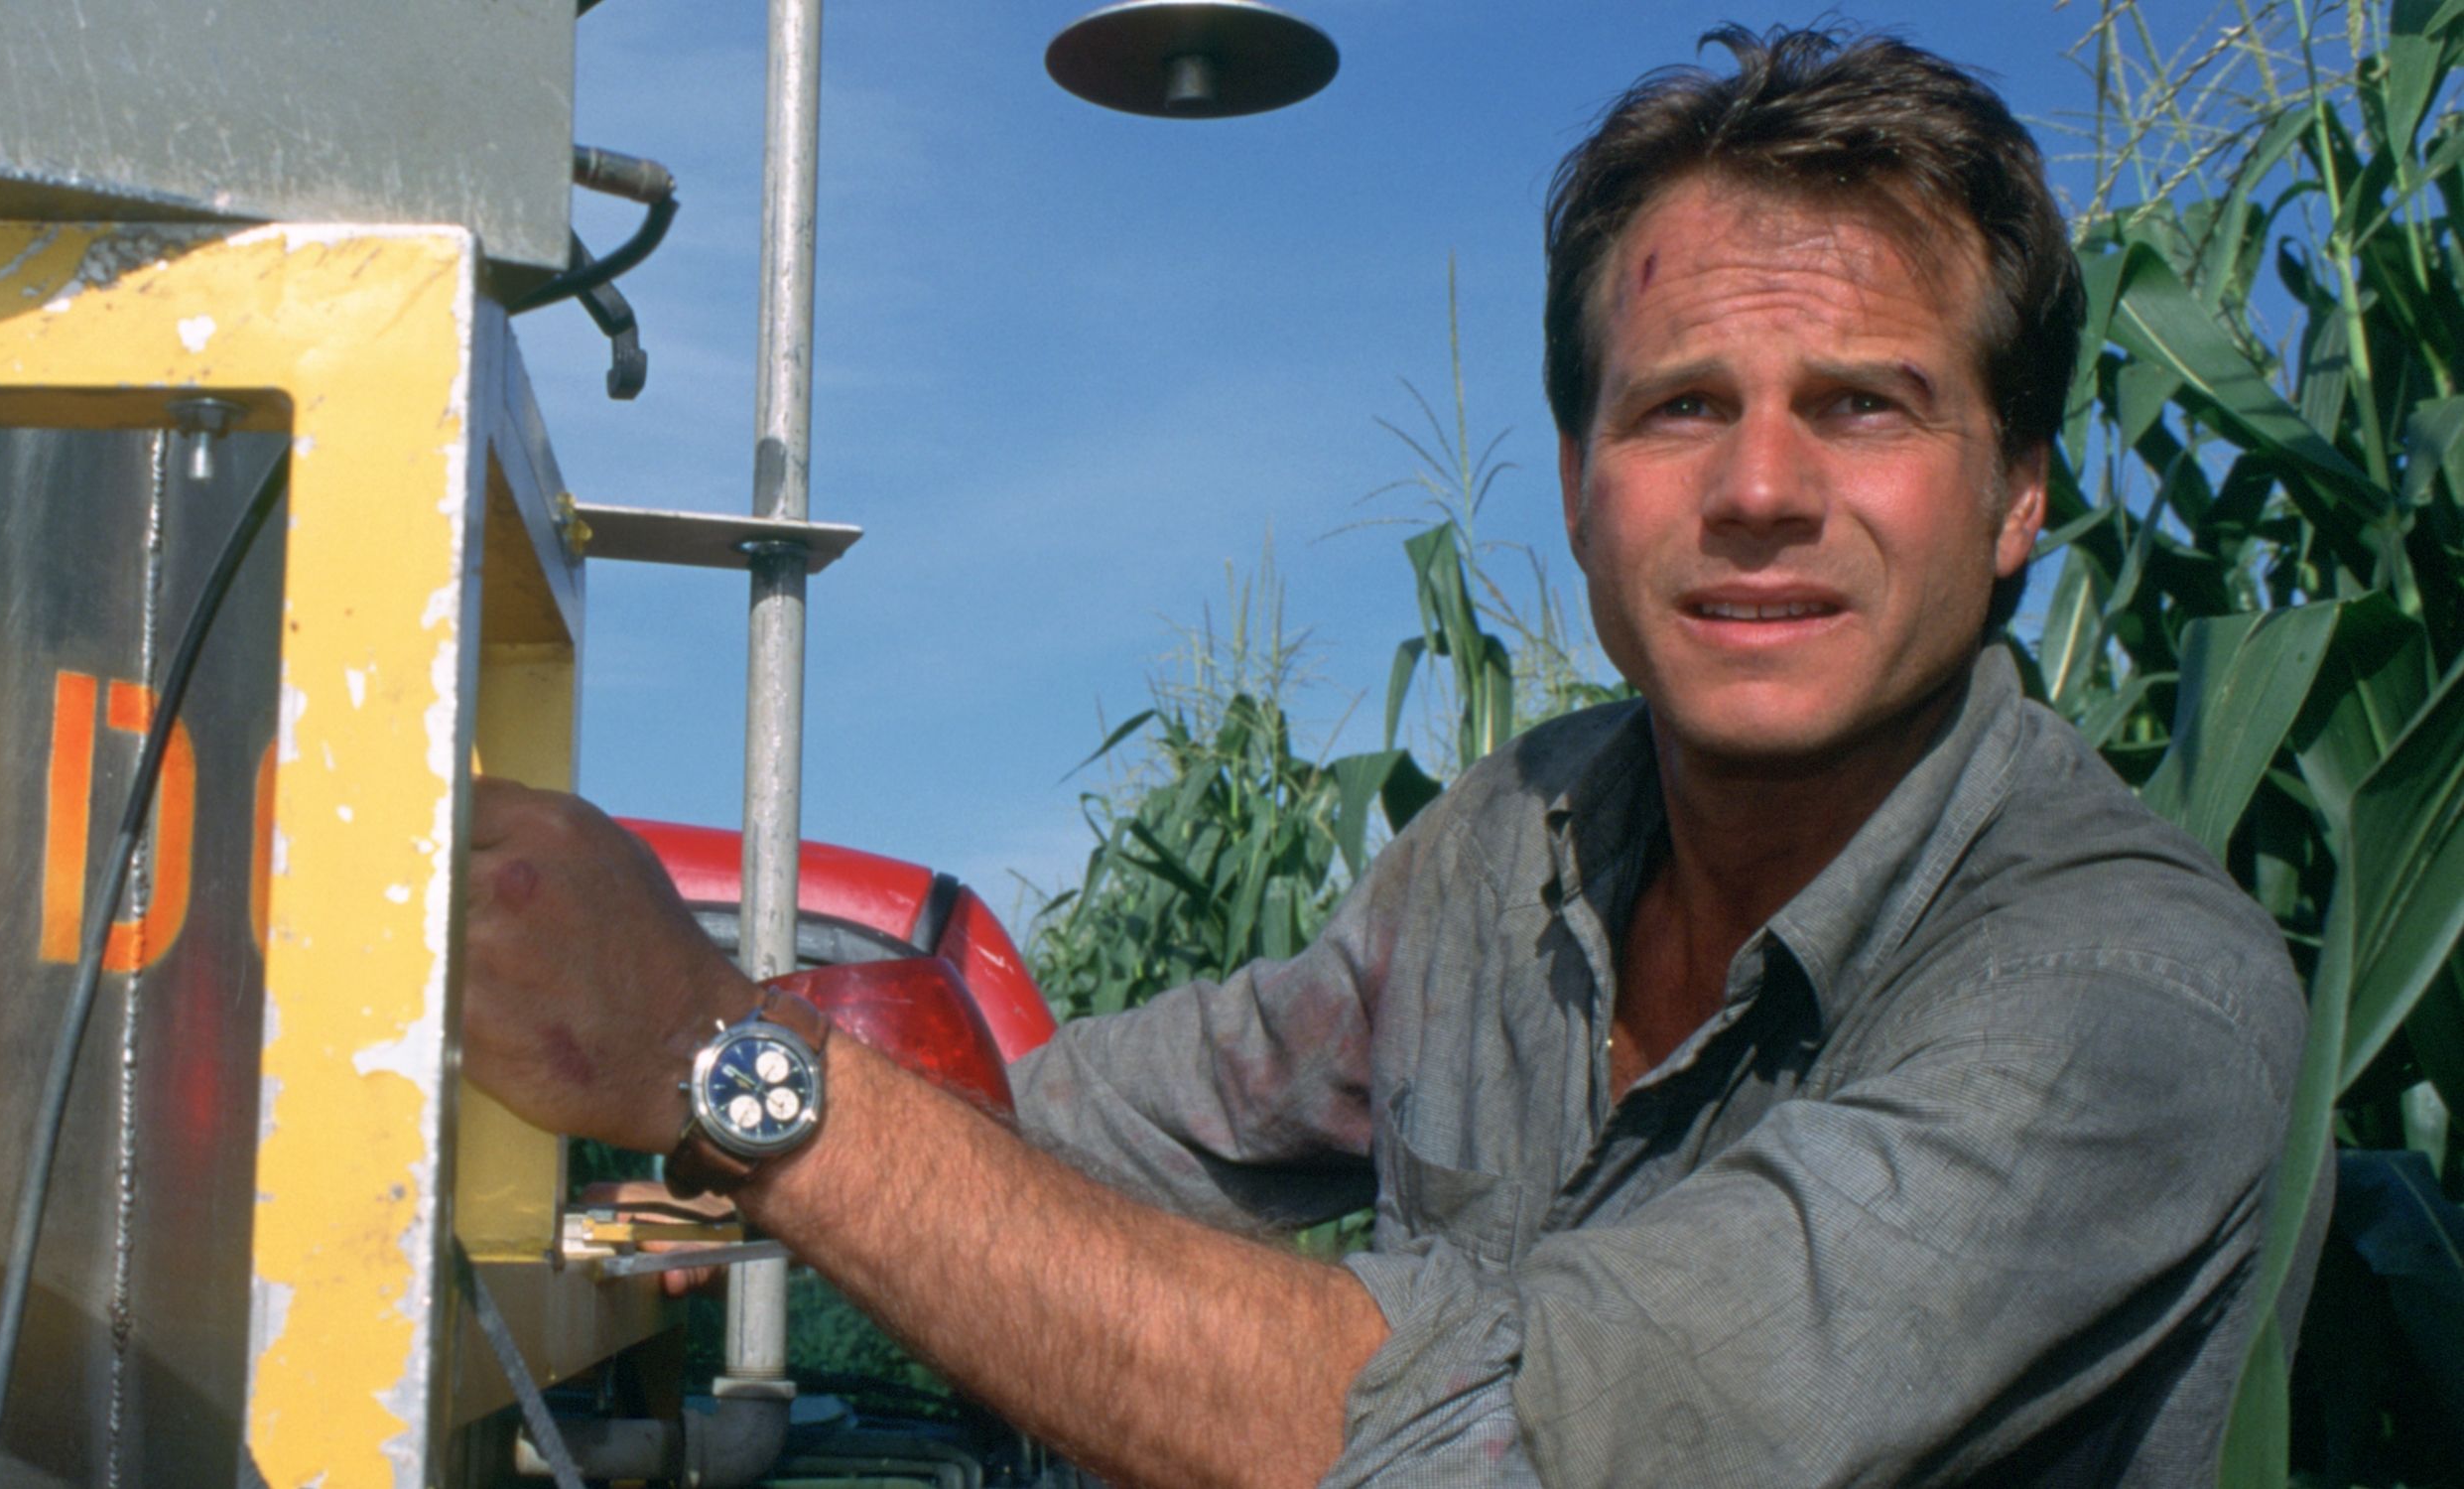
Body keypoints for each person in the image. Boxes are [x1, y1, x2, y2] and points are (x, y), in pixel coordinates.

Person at [455, 25, 2314, 1488]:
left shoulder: (2120, 1002)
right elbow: (1104, 1115)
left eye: (1864, 407)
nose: (1761, 491)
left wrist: (727, 1070)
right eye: (1681, 409)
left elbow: (1501, 1441)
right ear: (1582, 498)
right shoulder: (1521, 838)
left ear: (2016, 501)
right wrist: (626, 1156)